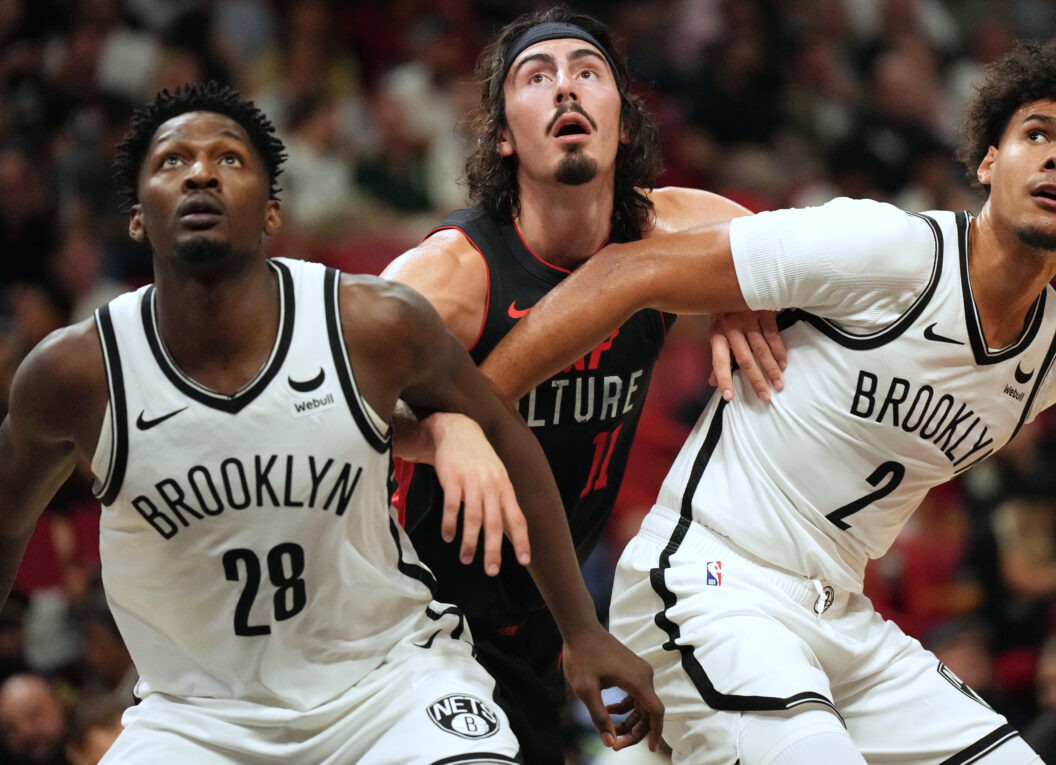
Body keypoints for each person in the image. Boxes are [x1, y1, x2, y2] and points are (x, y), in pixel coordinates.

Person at [480, 36, 1056, 763]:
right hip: (712, 579)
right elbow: (631, 265)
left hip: (841, 617)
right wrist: (473, 406)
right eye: (1037, 135)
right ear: (989, 163)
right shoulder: (885, 249)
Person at [0, 82, 661, 762]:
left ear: (271, 213)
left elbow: (510, 438)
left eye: (230, 159)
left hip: (388, 685)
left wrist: (582, 630)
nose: (200, 171)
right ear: (138, 217)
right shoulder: (76, 374)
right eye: (172, 161)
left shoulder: (370, 323)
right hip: (197, 716)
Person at [380, 5, 780, 764]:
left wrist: (742, 293)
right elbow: (327, 401)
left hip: (540, 617)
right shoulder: (453, 273)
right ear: (503, 136)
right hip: (415, 611)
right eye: (538, 77)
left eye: (587, 73)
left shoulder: (666, 236)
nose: (566, 87)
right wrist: (437, 427)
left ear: (622, 124)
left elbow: (799, 250)